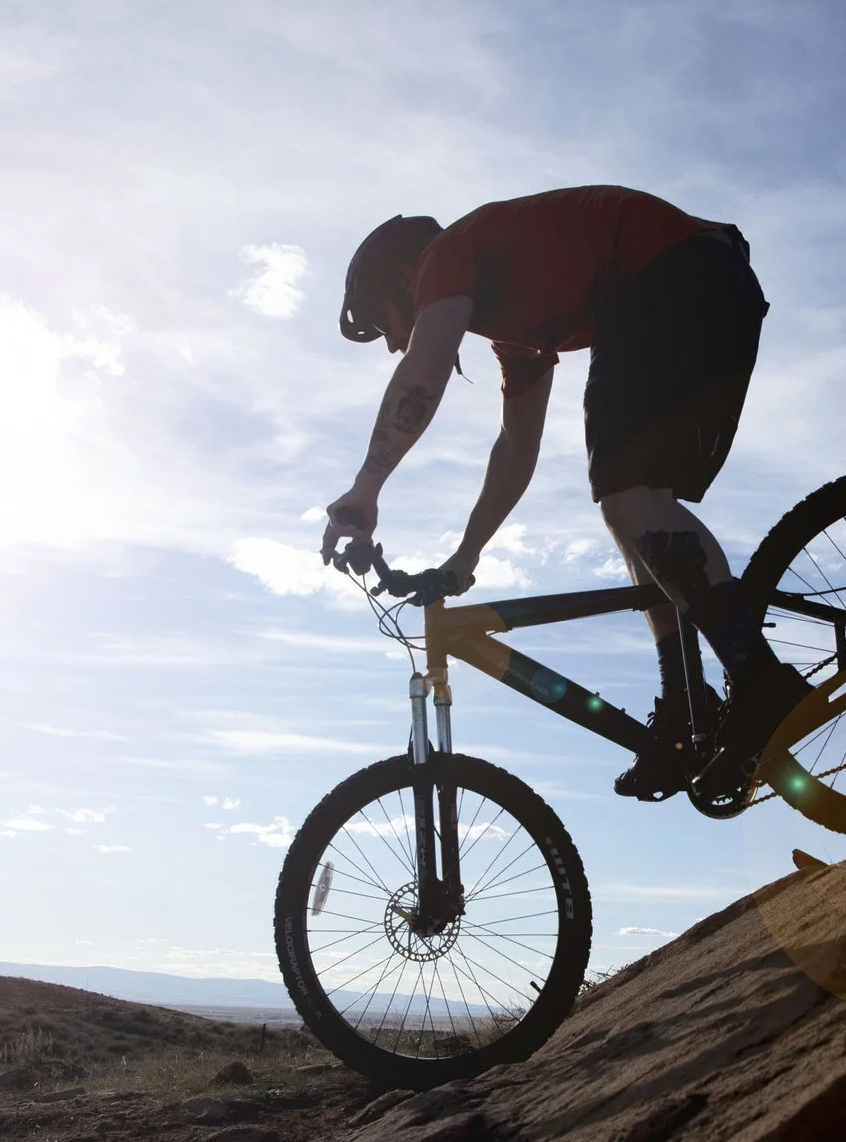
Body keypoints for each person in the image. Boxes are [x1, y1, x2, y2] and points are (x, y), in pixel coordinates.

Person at [318, 185, 806, 805]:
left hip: (676, 275)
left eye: (382, 317)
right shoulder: (516, 331)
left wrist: (367, 487)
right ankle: (688, 708)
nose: (392, 340)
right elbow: (516, 452)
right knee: (630, 505)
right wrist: (466, 557)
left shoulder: (444, 251)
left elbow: (424, 367)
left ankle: (759, 683)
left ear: (403, 272)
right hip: (701, 282)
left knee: (629, 496)